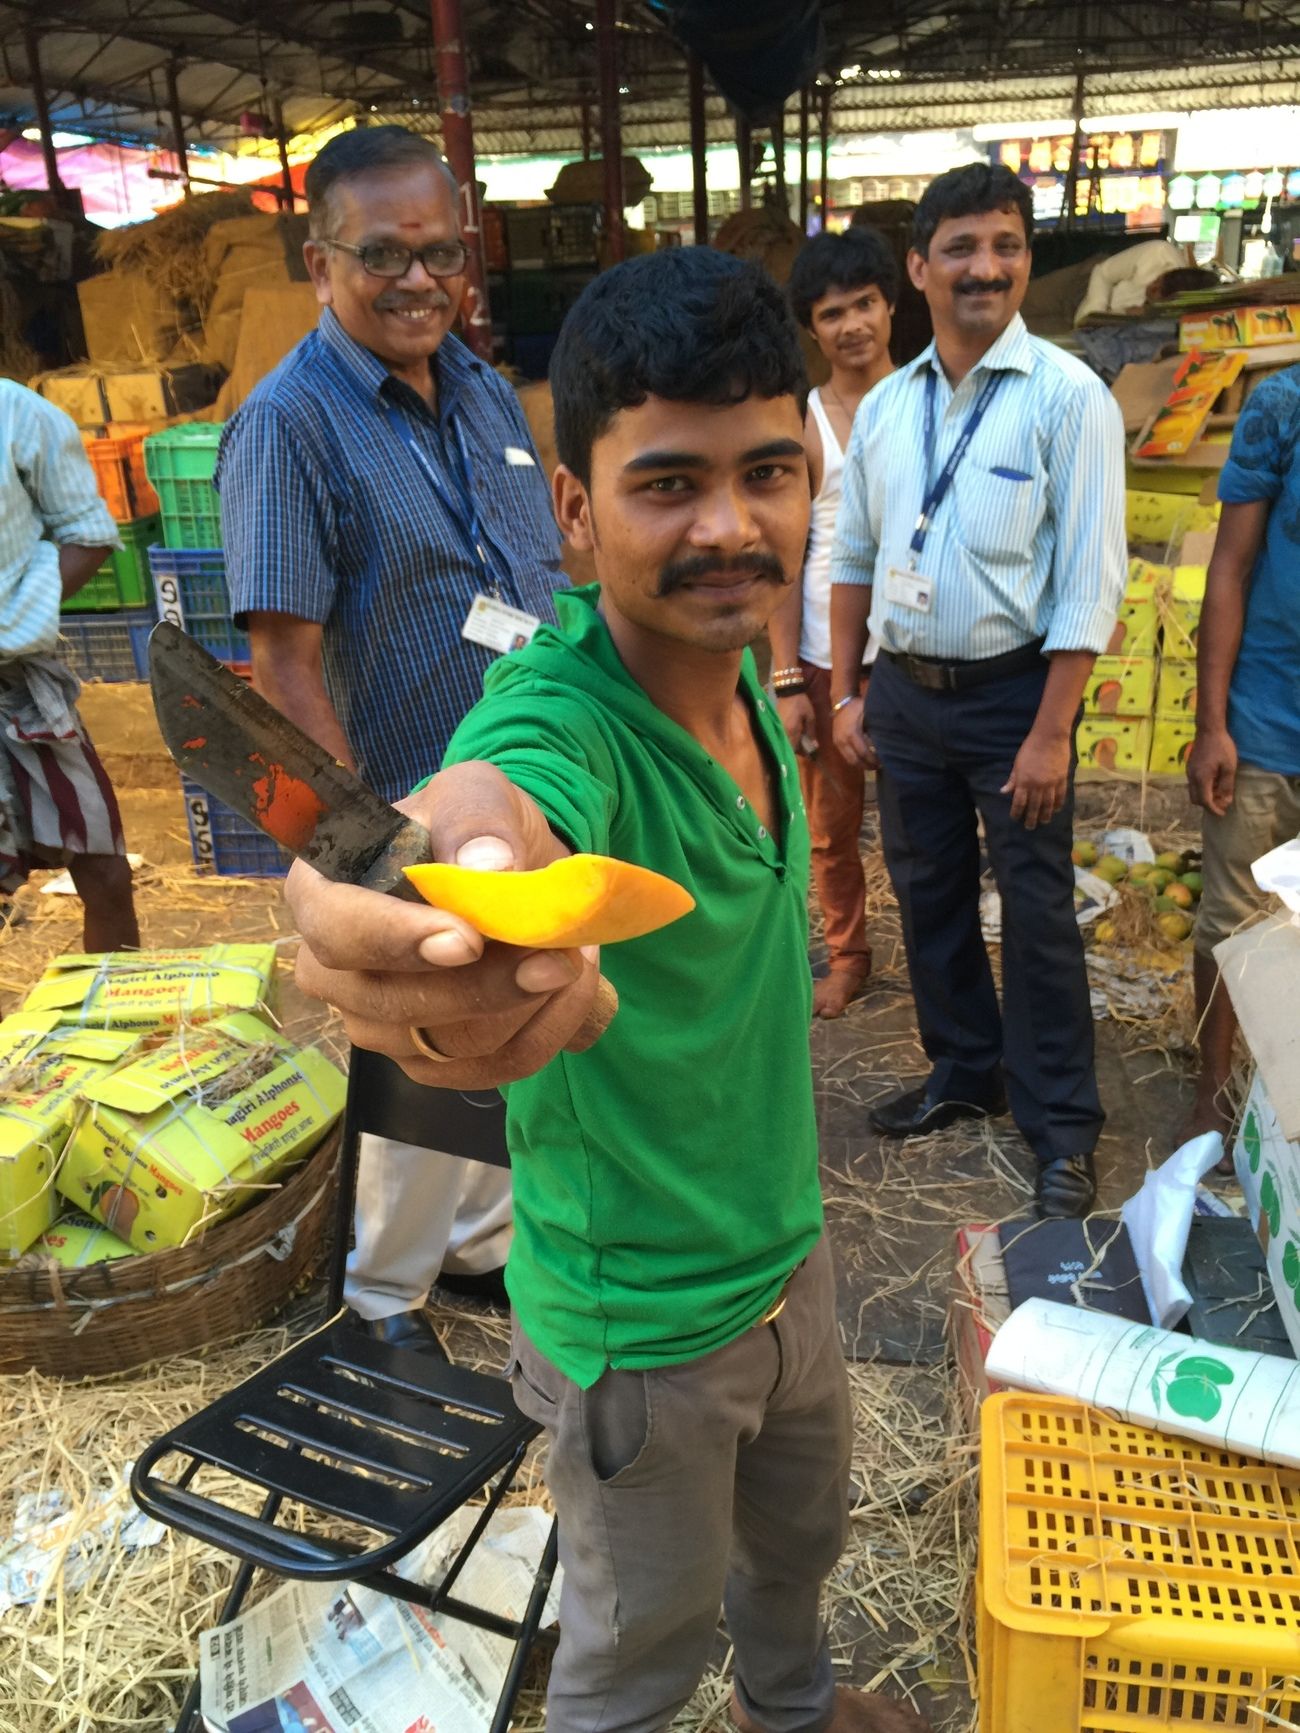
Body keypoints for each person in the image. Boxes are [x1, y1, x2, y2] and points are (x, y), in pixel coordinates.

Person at [284, 247, 927, 1733]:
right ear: (571, 511)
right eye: (666, 483)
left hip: (788, 1262)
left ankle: (795, 1706)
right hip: (637, 1333)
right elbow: (495, 801)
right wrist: (459, 887)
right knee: (634, 1655)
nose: (730, 524)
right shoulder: (567, 711)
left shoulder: (763, 709)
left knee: (798, 1553)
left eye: (768, 472)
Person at [217, 127, 566, 1354]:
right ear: (320, 265)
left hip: (518, 783)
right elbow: (283, 662)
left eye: (442, 254)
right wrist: (361, 839)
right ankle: (379, 1297)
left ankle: (479, 1248)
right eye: (384, 256)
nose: (420, 281)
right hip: (407, 799)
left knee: (500, 1033)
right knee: (413, 1049)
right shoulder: (290, 424)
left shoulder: (477, 388)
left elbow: (537, 573)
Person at [828, 162, 1125, 1219]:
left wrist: (1051, 732)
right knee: (928, 891)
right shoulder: (886, 410)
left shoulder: (1067, 398)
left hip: (1013, 699)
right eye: (959, 248)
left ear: (1024, 260)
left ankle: (1059, 1126)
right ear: (918, 266)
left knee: (1037, 913)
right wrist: (848, 691)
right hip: (904, 695)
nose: (982, 268)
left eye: (1003, 246)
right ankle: (964, 1069)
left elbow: (1091, 585)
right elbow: (854, 555)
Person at [769, 228, 897, 1018]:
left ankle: (938, 960)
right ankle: (848, 956)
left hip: (915, 653)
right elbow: (785, 556)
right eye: (831, 312)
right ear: (811, 328)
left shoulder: (929, 397)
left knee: (925, 829)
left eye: (865, 304)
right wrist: (786, 677)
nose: (852, 325)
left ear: (892, 304)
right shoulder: (805, 419)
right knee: (828, 828)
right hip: (821, 653)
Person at [1185, 362, 1300, 1160]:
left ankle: (1285, 1091)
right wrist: (1211, 721)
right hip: (1266, 714)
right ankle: (1213, 1089)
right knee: (1234, 921)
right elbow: (1229, 565)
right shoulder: (1282, 405)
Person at [0, 379, 139, 951]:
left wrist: (17, 618)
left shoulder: (20, 415)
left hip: (22, 689)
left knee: (104, 870)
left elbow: (90, 535)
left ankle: (122, 1026)